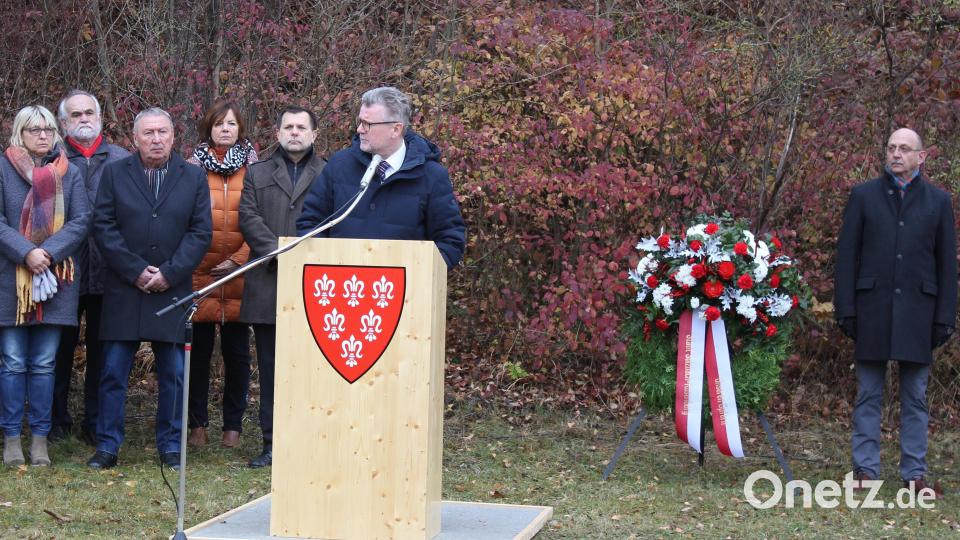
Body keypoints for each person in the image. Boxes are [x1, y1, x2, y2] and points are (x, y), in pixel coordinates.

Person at [834, 127, 957, 498]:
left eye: (904, 148)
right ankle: (865, 472)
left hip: (920, 313)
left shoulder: (938, 202)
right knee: (869, 393)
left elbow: (946, 266)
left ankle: (914, 474)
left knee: (916, 397)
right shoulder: (863, 196)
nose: (896, 154)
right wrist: (847, 309)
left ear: (922, 156)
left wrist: (944, 317)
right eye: (891, 147)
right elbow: (846, 257)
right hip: (871, 309)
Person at [87, 108, 212, 470]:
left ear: (174, 137)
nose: (156, 139)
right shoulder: (114, 173)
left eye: (162, 132)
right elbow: (103, 226)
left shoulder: (192, 177)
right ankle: (108, 446)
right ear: (135, 138)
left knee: (173, 373)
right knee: (112, 372)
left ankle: (171, 447)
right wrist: (136, 270)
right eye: (148, 134)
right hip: (125, 290)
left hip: (172, 290)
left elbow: (201, 232)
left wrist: (169, 274)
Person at [0, 105, 90, 466]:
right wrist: (26, 253)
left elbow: (82, 220)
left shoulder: (69, 173)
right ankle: (10, 439)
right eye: (34, 129)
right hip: (11, 281)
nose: (43, 136)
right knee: (12, 362)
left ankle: (39, 439)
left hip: (56, 280)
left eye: (49, 129)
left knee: (44, 364)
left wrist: (47, 253)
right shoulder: (3, 169)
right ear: (20, 133)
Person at [239, 105, 325, 468]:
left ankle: (312, 442)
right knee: (272, 369)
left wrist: (305, 255)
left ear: (314, 134)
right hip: (269, 281)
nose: (294, 132)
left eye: (301, 127)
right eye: (287, 127)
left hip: (315, 284)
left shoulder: (330, 173)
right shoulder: (257, 172)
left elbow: (334, 218)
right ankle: (272, 443)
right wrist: (279, 251)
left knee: (313, 370)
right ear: (277, 133)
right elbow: (248, 216)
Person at [295, 86, 465, 269]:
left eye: (367, 124)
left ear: (396, 129)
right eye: (359, 121)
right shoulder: (339, 166)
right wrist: (327, 266)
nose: (360, 129)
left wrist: (422, 275)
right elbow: (311, 223)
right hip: (342, 288)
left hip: (404, 293)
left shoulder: (431, 176)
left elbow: (450, 239)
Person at [50, 90, 131, 445]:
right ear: (63, 123)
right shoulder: (50, 159)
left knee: (103, 352)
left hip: (109, 272)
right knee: (57, 350)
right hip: (61, 273)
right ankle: (54, 420)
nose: (84, 119)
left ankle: (96, 422)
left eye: (89, 113)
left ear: (100, 118)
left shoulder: (123, 159)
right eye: (75, 114)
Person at [185, 101, 257, 449]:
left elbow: (261, 220)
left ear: (240, 129)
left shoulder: (256, 169)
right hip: (201, 273)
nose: (225, 129)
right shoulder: (191, 169)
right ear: (208, 129)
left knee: (238, 355)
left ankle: (233, 427)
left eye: (231, 123)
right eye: (219, 124)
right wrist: (194, 259)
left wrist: (242, 259)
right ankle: (197, 424)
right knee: (197, 354)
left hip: (241, 273)